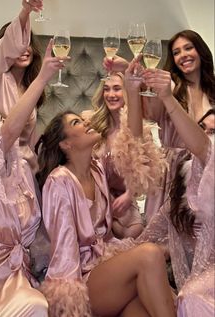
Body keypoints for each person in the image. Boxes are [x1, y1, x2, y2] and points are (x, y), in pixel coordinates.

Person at [35, 89, 173, 316]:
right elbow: (63, 249)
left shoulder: (98, 168)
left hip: (105, 263)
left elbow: (136, 152)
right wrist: (71, 303)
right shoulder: (59, 182)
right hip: (80, 279)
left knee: (143, 309)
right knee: (150, 254)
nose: (87, 121)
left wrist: (131, 85)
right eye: (77, 122)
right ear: (65, 144)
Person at [118, 59, 214, 317]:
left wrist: (168, 98)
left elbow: (205, 148)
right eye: (202, 128)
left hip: (201, 281)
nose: (208, 136)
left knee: (190, 298)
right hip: (170, 270)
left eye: (214, 131)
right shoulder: (180, 163)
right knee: (132, 310)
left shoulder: (208, 156)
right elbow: (137, 152)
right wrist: (131, 90)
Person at [0, 40, 65, 317]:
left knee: (37, 304)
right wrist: (43, 78)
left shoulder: (21, 176)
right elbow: (9, 134)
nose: (6, 126)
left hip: (16, 272)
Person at [103, 30, 215, 223]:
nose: (183, 55)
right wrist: (132, 83)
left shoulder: (212, 92)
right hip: (174, 175)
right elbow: (136, 128)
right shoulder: (168, 88)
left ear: (201, 51)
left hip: (209, 173)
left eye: (188, 48)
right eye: (176, 52)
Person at [0, 0, 51, 172]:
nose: (23, 49)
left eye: (28, 44)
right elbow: (9, 47)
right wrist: (26, 11)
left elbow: (29, 142)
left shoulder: (31, 88)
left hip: (24, 172)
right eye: (19, 44)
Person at [82, 72, 144, 239]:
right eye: (106, 89)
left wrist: (128, 196)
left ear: (127, 93)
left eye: (117, 89)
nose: (110, 95)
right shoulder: (93, 124)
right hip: (94, 196)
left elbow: (143, 172)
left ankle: (108, 227)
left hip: (122, 200)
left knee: (133, 232)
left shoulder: (138, 129)